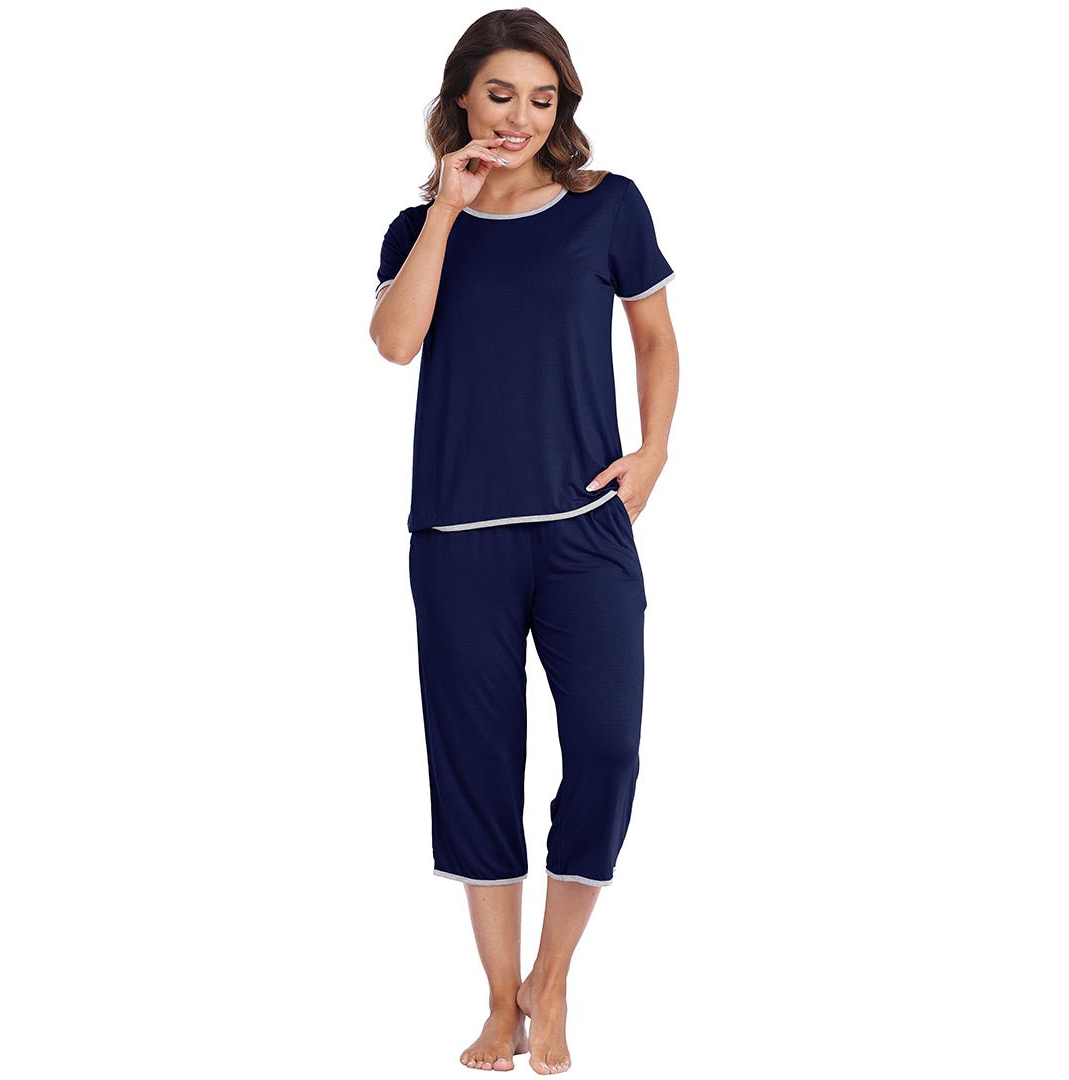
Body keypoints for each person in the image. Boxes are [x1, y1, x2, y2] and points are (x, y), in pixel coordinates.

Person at [369, 10, 679, 1074]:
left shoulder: (607, 206)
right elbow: (396, 343)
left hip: (585, 531)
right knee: (475, 770)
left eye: (543, 99)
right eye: (501, 94)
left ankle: (553, 976)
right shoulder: (417, 227)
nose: (521, 117)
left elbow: (654, 337)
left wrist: (654, 451)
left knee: (607, 750)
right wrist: (447, 213)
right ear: (462, 97)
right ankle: (500, 1004)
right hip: (458, 540)